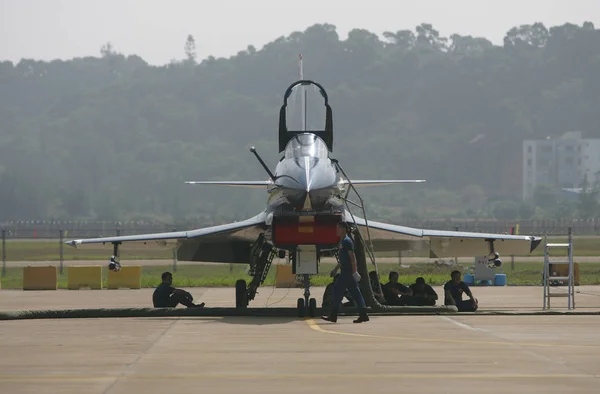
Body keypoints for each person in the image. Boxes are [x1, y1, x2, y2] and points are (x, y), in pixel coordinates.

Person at [321, 222, 369, 323]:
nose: (336, 230)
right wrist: (336, 269)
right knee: (356, 293)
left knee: (337, 291)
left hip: (348, 272)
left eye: (338, 228)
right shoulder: (342, 241)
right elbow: (343, 259)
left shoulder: (347, 241)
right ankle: (363, 315)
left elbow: (353, 258)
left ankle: (333, 316)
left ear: (343, 229)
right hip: (346, 271)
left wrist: (354, 272)